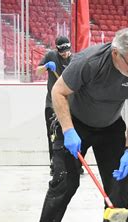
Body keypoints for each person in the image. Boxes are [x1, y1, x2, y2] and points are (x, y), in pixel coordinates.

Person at [29, 27, 128, 222]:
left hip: (110, 126)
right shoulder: (90, 61)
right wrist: (68, 130)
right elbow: (58, 92)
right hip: (75, 122)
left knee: (118, 187)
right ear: (117, 54)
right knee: (65, 182)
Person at [37, 36, 83, 176]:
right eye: (62, 52)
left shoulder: (74, 59)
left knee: (75, 134)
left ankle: (75, 165)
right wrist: (46, 67)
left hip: (71, 105)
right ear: (57, 49)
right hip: (52, 103)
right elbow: (38, 70)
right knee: (53, 135)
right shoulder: (51, 56)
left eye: (67, 51)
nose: (65, 54)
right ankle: (55, 165)